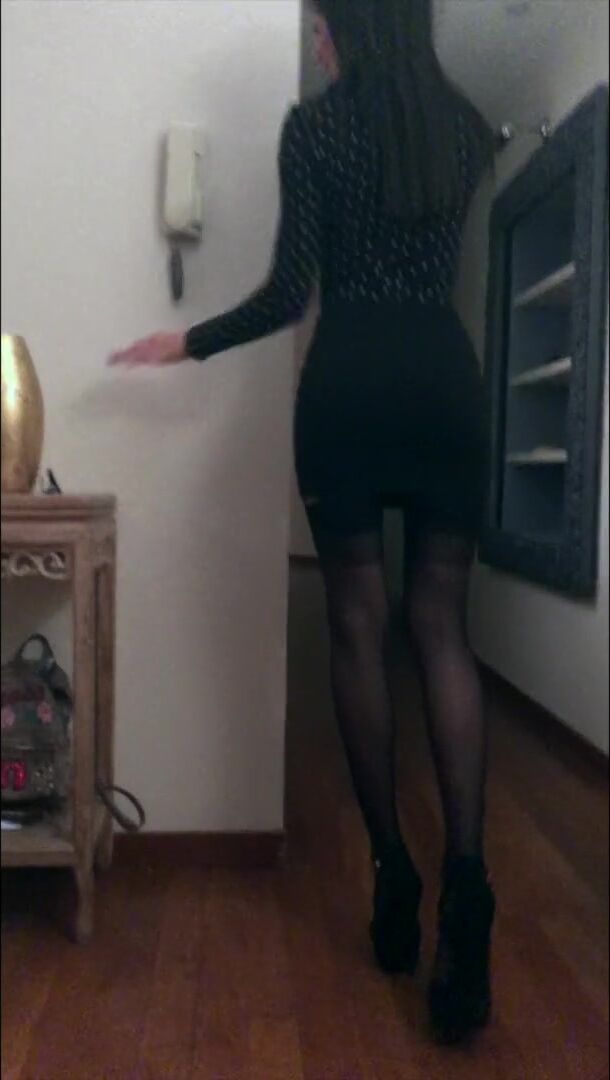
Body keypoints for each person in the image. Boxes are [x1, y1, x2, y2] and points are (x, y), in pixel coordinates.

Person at [110, 0, 496, 1046]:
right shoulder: (466, 128)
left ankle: (393, 872)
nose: (317, 43)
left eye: (321, 27)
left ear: (350, 29)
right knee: (442, 631)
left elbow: (290, 294)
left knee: (358, 628)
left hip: (350, 388)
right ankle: (469, 886)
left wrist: (187, 341)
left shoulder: (316, 127)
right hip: (445, 385)